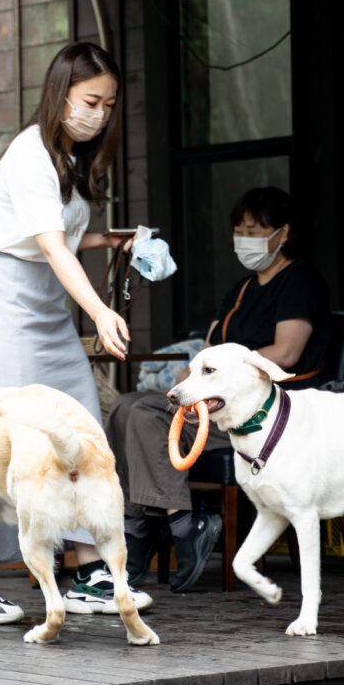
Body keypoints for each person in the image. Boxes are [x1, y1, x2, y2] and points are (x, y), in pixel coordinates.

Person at [0, 40, 153, 625]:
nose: (99, 114)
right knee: (7, 446)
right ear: (61, 95)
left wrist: (108, 240)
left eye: (108, 105)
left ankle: (87, 571)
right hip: (5, 311)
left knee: (81, 434)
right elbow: (49, 247)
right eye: (90, 101)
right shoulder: (30, 154)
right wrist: (100, 312)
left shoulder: (72, 158)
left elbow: (59, 238)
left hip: (47, 310)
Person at [106, 186, 331, 592]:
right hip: (217, 403)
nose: (244, 239)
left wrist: (220, 374)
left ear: (283, 234)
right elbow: (209, 348)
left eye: (254, 231)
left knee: (145, 415)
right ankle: (152, 523)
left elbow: (287, 352)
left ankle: (171, 526)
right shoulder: (240, 291)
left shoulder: (300, 282)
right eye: (239, 231)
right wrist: (195, 375)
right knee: (125, 406)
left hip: (262, 413)